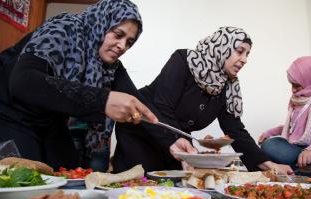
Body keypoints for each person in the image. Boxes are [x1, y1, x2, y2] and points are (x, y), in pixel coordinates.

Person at [0, 0, 157, 170]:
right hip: (4, 109)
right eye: (118, 35)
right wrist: (102, 100)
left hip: (49, 118)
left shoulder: (110, 67)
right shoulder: (64, 28)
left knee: (70, 170)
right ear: (101, 22)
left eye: (129, 42)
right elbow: (24, 82)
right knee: (24, 178)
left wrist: (173, 141)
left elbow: (140, 106)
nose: (122, 46)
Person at [113, 26, 293, 174]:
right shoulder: (184, 60)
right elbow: (162, 105)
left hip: (176, 143)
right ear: (222, 47)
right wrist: (187, 150)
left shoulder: (227, 87)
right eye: (240, 52)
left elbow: (235, 130)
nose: (244, 59)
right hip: (143, 132)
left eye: (247, 54)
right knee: (134, 187)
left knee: (170, 192)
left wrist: (268, 165)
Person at [258, 56, 311, 176]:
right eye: (291, 85)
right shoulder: (299, 98)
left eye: (296, 85)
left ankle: (296, 171)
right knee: (270, 145)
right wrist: (270, 132)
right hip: (298, 151)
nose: (293, 90)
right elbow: (296, 127)